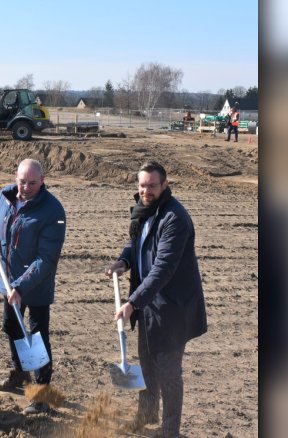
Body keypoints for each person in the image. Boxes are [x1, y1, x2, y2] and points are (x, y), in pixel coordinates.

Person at [104, 161, 208, 437]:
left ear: (165, 185)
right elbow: (136, 244)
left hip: (173, 308)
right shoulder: (145, 212)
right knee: (147, 363)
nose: (146, 191)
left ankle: (170, 430)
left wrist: (132, 302)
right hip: (149, 304)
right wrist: (123, 261)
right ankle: (146, 414)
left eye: (152, 185)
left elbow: (163, 268)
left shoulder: (175, 218)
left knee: (168, 372)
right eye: (142, 185)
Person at [0, 159, 66, 414]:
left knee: (37, 337)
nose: (25, 187)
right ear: (15, 177)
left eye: (32, 183)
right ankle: (19, 373)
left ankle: (41, 393)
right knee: (12, 327)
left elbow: (46, 259)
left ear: (43, 181)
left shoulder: (52, 211)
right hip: (9, 281)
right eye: (21, 181)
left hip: (35, 285)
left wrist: (20, 286)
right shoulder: (6, 196)